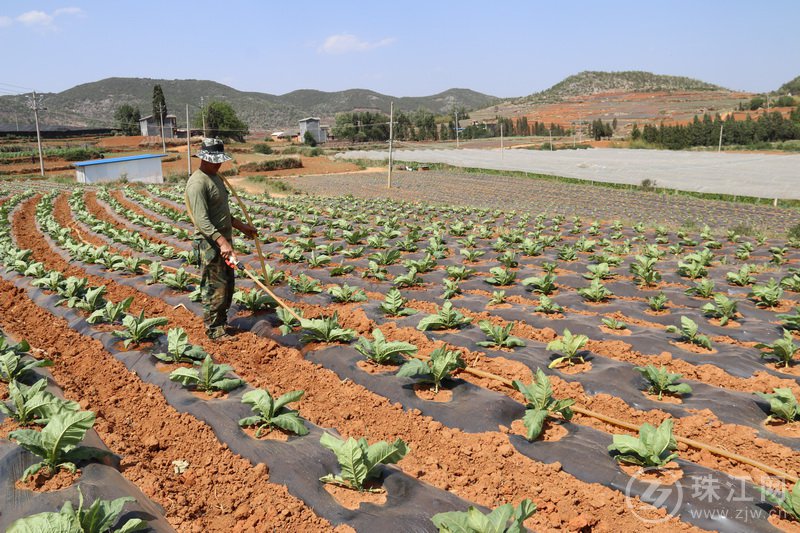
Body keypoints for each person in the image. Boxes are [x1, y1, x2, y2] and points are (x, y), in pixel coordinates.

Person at [185, 138, 258, 340]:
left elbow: (222, 213)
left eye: (220, 160)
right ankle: (215, 331)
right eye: (214, 160)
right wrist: (222, 242)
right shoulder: (198, 183)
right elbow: (202, 220)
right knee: (214, 288)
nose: (219, 164)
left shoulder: (216, 178)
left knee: (227, 285)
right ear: (204, 159)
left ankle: (222, 323)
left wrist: (242, 227)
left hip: (223, 241)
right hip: (210, 245)